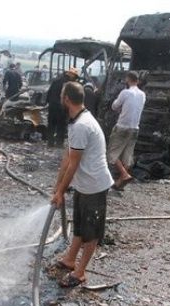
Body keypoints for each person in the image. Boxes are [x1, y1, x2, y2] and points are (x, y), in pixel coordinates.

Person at [51, 81, 114, 287]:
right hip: (84, 185)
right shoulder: (76, 121)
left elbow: (73, 164)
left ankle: (80, 273)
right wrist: (58, 187)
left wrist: (60, 192)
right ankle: (70, 260)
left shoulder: (81, 125)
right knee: (79, 226)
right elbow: (67, 158)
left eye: (62, 95)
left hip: (94, 186)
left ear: (66, 99)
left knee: (91, 232)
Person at [107, 71, 146, 190]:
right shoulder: (143, 94)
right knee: (127, 156)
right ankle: (120, 183)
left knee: (112, 154)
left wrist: (119, 106)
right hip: (135, 128)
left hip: (122, 127)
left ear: (127, 79)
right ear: (138, 80)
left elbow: (114, 106)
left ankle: (124, 174)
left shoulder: (125, 92)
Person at [46, 68, 79, 146]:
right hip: (61, 108)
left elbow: (49, 93)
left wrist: (48, 102)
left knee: (51, 124)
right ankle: (59, 143)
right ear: (72, 75)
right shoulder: (69, 84)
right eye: (75, 77)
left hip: (52, 106)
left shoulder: (56, 80)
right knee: (61, 125)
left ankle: (50, 142)